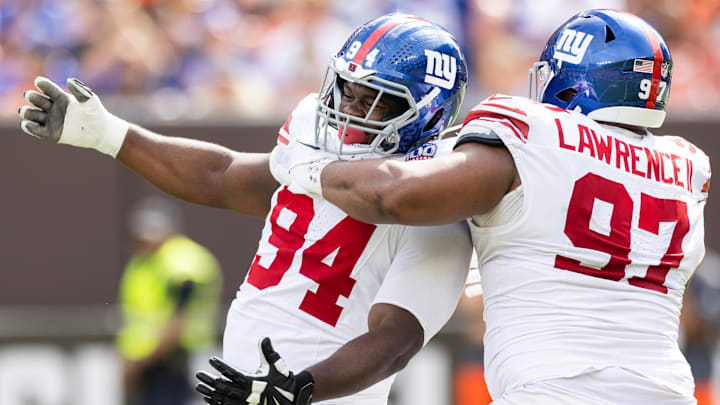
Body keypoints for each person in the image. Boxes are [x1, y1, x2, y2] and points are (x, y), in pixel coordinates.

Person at [17, 14, 473, 405]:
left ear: (427, 113)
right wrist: (110, 135)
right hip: (246, 387)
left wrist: (300, 387)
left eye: (375, 100)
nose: (349, 110)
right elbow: (223, 177)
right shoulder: (317, 145)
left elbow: (396, 339)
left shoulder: (435, 203)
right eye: (348, 90)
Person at [283, 9, 712, 404]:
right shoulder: (687, 166)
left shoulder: (537, 133)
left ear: (572, 78)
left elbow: (393, 196)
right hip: (667, 391)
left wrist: (308, 167)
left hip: (552, 389)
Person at [117, 196, 222, 405]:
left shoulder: (182, 261)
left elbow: (177, 322)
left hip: (177, 361)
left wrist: (137, 364)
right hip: (150, 363)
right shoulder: (144, 262)